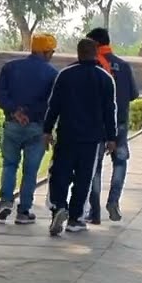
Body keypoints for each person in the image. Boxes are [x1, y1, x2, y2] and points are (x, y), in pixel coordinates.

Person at [42, 38, 117, 236]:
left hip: (67, 134)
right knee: (84, 178)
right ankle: (75, 218)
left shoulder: (65, 75)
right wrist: (112, 137)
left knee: (60, 174)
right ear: (95, 53)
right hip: (91, 139)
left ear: (78, 53)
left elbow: (54, 105)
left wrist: (47, 130)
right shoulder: (105, 78)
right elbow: (110, 110)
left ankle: (58, 207)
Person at [0, 32, 59, 224]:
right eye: (51, 52)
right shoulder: (52, 74)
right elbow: (51, 102)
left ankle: (5, 201)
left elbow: (0, 92)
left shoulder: (10, 67)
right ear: (46, 52)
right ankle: (24, 211)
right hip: (37, 126)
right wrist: (34, 117)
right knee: (30, 171)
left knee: (9, 164)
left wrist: (15, 112)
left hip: (13, 124)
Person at [83, 27, 138, 223]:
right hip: (119, 122)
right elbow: (132, 95)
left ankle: (94, 211)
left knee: (94, 166)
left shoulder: (90, 66)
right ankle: (113, 200)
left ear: (96, 44)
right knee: (120, 161)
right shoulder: (123, 65)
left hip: (96, 124)